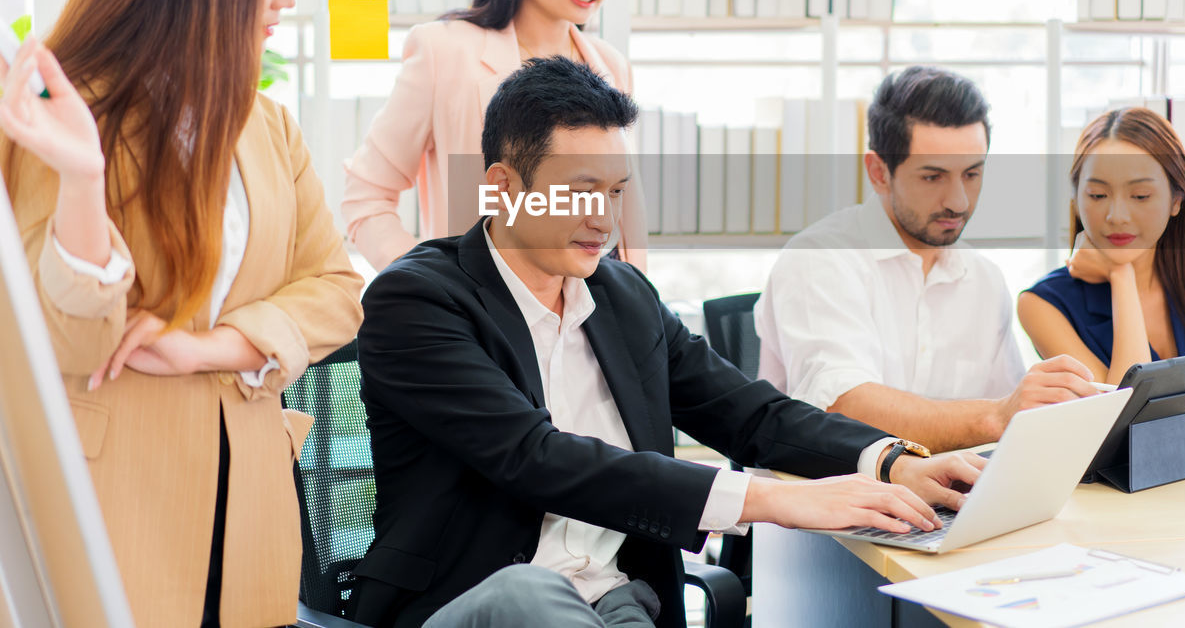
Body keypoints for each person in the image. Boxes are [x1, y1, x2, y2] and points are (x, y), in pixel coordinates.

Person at [353, 58, 985, 628]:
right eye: (580, 189)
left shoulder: (624, 297)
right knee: (529, 596)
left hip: (621, 603)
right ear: (505, 187)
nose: (604, 217)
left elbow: (751, 413)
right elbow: (534, 457)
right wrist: (774, 499)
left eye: (616, 191)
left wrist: (894, 461)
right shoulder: (417, 301)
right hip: (472, 603)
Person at [0, 0, 364, 628]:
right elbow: (69, 340)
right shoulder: (67, 120)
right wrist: (85, 178)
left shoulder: (265, 127)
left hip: (249, 524)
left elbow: (337, 292)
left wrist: (213, 347)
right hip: (114, 510)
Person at [756, 65, 1097, 452]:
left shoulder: (983, 279)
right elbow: (844, 408)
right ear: (879, 172)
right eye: (933, 177)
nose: (958, 201)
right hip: (829, 500)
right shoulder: (820, 260)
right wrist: (997, 417)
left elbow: (1013, 420)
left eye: (972, 174)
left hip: (946, 499)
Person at [343, 0, 645, 273]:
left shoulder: (612, 66)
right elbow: (366, 196)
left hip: (593, 316)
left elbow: (625, 217)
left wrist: (639, 311)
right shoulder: (444, 53)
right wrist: (431, 290)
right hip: (484, 321)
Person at [1018, 106, 1185, 436]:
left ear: (1176, 200)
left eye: (1140, 195)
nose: (1116, 215)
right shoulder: (1043, 304)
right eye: (1097, 194)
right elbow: (1119, 423)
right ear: (1076, 200)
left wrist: (1184, 419)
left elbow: (1143, 421)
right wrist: (1121, 276)